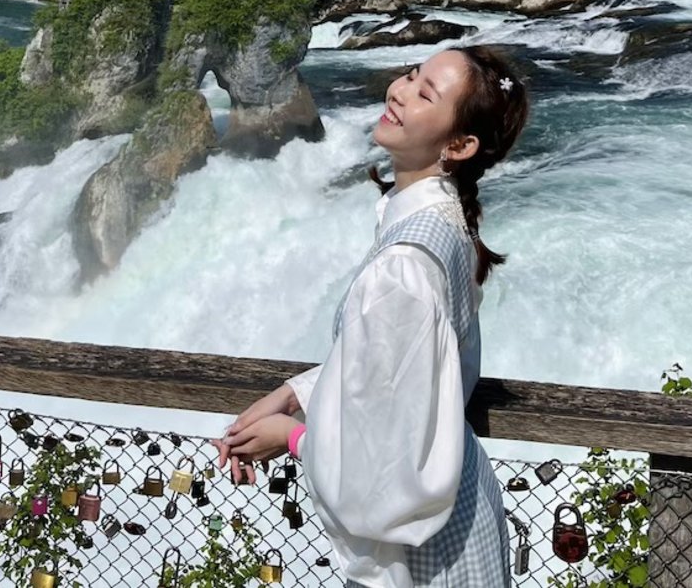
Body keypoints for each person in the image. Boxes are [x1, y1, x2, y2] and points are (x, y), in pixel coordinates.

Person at [217, 44, 529, 587]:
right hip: (463, 514)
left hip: (424, 554)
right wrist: (297, 394)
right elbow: (404, 373)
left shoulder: (405, 266)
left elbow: (383, 472)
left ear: (459, 144)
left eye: (425, 92)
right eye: (411, 75)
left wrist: (290, 437)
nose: (400, 91)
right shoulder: (444, 220)